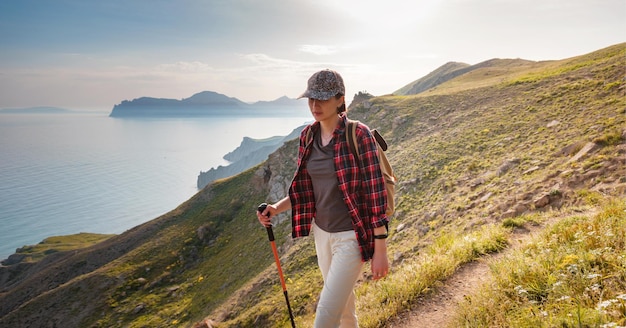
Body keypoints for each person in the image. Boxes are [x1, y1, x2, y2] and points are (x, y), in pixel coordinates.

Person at [257, 69, 390, 328]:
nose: (315, 105)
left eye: (322, 99)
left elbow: (376, 195)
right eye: (311, 99)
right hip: (322, 235)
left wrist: (380, 249)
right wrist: (275, 208)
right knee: (343, 311)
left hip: (351, 238)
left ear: (340, 99)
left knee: (325, 315)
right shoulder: (308, 136)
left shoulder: (358, 134)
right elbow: (306, 190)